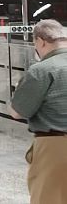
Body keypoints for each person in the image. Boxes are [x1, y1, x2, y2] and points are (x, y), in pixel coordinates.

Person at [9, 19, 67, 203]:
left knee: (49, 198)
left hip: (55, 147)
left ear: (41, 41)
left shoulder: (41, 70)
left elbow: (18, 111)